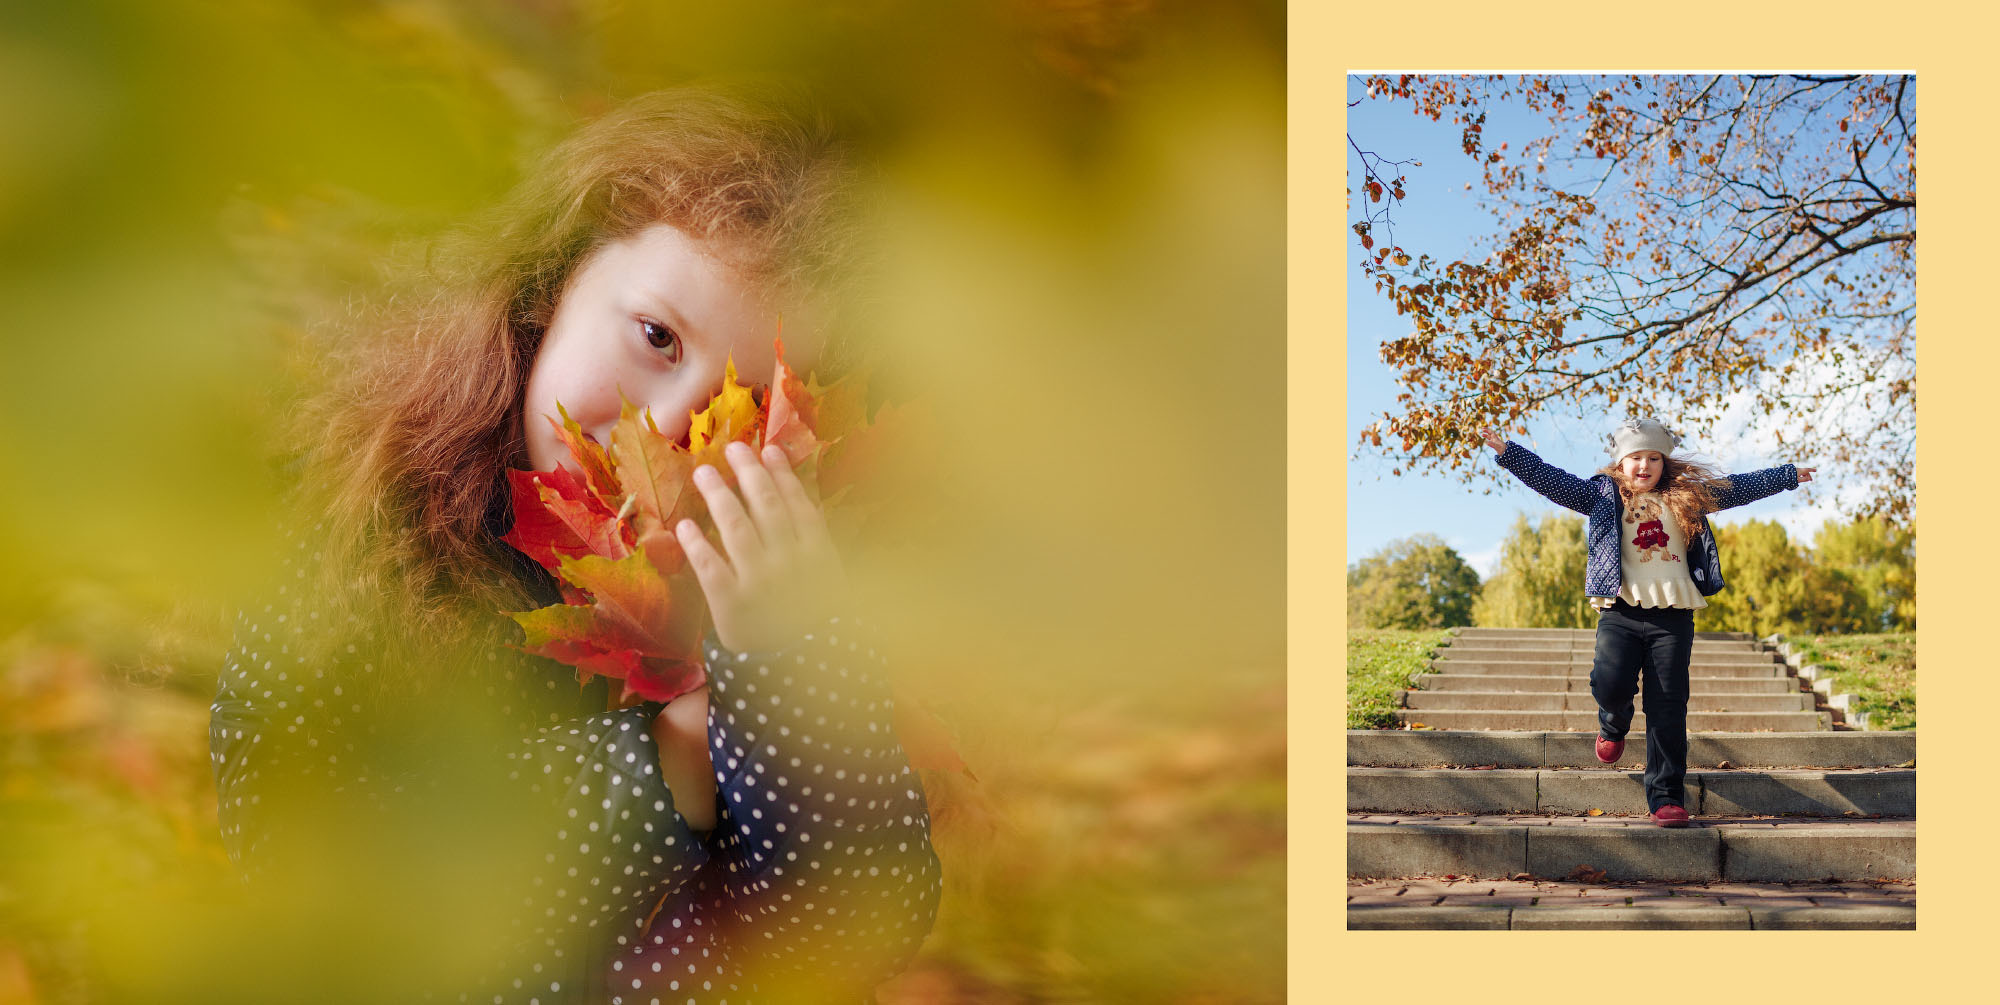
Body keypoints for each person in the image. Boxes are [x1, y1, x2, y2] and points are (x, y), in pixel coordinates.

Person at [210, 87, 941, 1003]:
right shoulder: (369, 528)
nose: (668, 427)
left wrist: (792, 673)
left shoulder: (775, 607)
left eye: (744, 406)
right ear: (557, 277)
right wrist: (669, 755)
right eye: (656, 337)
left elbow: (858, 921)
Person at [1479, 418, 1814, 828]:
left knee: (1668, 707)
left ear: (1664, 462)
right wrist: (1508, 452)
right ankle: (1613, 724)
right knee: (1609, 681)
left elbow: (1735, 488)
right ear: (1621, 462)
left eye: (1654, 457)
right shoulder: (1601, 494)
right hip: (1620, 610)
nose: (1645, 465)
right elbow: (1553, 481)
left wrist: (1784, 476)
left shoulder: (1685, 496)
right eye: (1636, 457)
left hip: (1673, 614)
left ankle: (1666, 797)